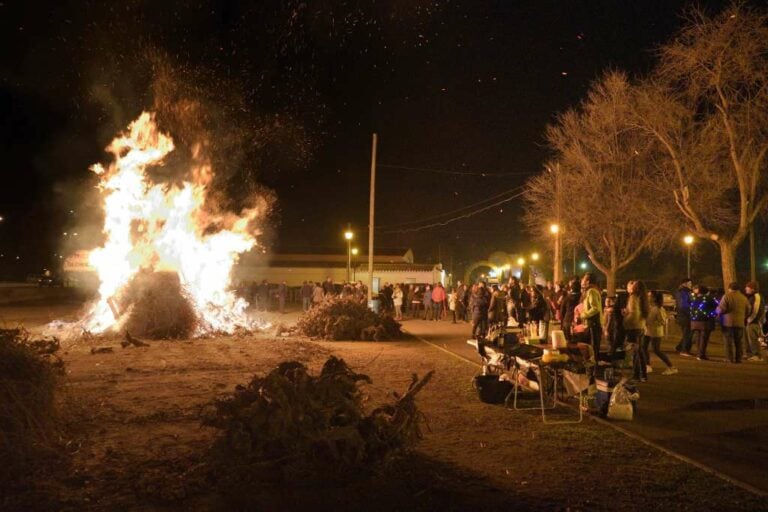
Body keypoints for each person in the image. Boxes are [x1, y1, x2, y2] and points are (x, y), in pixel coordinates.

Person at [644, 291, 678, 375]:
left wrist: (651, 323)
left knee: (656, 350)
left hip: (656, 332)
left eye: (650, 296)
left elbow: (662, 321)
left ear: (655, 298)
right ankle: (647, 365)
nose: (648, 297)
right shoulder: (650, 307)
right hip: (647, 331)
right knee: (643, 348)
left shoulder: (659, 309)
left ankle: (671, 367)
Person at [623, 280, 649, 382]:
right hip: (641, 327)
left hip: (633, 327)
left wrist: (625, 320)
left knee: (635, 352)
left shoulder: (633, 297)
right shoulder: (643, 298)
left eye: (633, 284)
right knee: (640, 351)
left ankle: (638, 374)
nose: (630, 286)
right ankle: (642, 374)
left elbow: (633, 313)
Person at [717, 282, 749, 363]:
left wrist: (717, 312)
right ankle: (739, 358)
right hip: (740, 322)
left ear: (729, 288)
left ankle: (729, 358)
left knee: (728, 341)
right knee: (739, 342)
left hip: (728, 322)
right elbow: (748, 309)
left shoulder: (727, 296)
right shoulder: (744, 298)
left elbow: (721, 308)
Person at [690, 285, 717, 360]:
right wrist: (713, 314)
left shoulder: (695, 299)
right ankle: (701, 354)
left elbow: (692, 308)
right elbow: (716, 307)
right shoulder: (710, 299)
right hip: (706, 321)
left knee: (698, 337)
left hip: (695, 320)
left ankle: (699, 353)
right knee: (704, 338)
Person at [579, 272, 603, 355]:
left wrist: (582, 315)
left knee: (592, 349)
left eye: (583, 278)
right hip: (591, 324)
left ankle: (593, 366)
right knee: (591, 348)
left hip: (593, 324)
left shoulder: (591, 291)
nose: (581, 280)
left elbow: (595, 308)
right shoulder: (589, 291)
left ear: (588, 281)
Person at [744, 281, 765, 362]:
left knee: (753, 339)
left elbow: (756, 310)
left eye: (747, 287)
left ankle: (757, 355)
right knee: (749, 339)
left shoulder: (756, 296)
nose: (745, 288)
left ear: (752, 289)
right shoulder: (752, 297)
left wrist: (749, 320)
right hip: (751, 321)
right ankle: (750, 355)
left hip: (753, 322)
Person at [674, 278, 694, 356]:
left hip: (684, 315)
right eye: (689, 283)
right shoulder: (682, 292)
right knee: (687, 334)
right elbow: (683, 305)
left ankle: (680, 347)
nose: (691, 285)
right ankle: (684, 350)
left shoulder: (685, 292)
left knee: (688, 333)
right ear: (684, 284)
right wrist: (691, 312)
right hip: (684, 316)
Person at [560, 278, 581, 342]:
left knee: (567, 342)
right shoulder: (582, 297)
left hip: (567, 320)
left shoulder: (566, 298)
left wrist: (562, 322)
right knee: (578, 343)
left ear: (571, 288)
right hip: (578, 322)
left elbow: (562, 311)